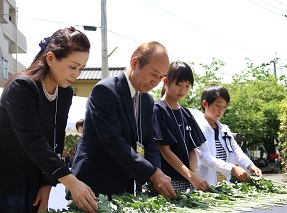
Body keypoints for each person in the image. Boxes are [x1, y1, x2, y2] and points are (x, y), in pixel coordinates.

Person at [0, 27, 98, 213]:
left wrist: (47, 183)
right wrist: (71, 182)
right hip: (7, 178)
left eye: (81, 68)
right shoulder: (22, 87)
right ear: (50, 58)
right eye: (72, 66)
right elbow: (33, 140)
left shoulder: (64, 91)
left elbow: (56, 138)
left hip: (35, 175)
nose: (76, 74)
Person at [69, 41, 176, 199]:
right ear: (135, 62)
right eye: (154, 74)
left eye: (161, 77)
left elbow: (149, 141)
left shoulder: (146, 100)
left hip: (125, 188)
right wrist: (152, 174)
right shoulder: (106, 91)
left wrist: (156, 171)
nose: (156, 81)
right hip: (94, 186)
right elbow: (113, 141)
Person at [153, 61, 208, 192]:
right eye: (178, 85)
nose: (182, 90)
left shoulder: (186, 113)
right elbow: (165, 150)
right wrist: (191, 176)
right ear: (165, 81)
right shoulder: (157, 109)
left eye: (187, 86)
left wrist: (195, 174)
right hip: (169, 181)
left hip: (190, 181)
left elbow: (192, 149)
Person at [190, 84, 262, 185]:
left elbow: (237, 152)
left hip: (224, 185)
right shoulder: (197, 128)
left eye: (224, 107)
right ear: (205, 104)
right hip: (205, 184)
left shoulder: (224, 130)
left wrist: (250, 165)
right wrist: (232, 168)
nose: (221, 111)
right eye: (218, 105)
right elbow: (205, 158)